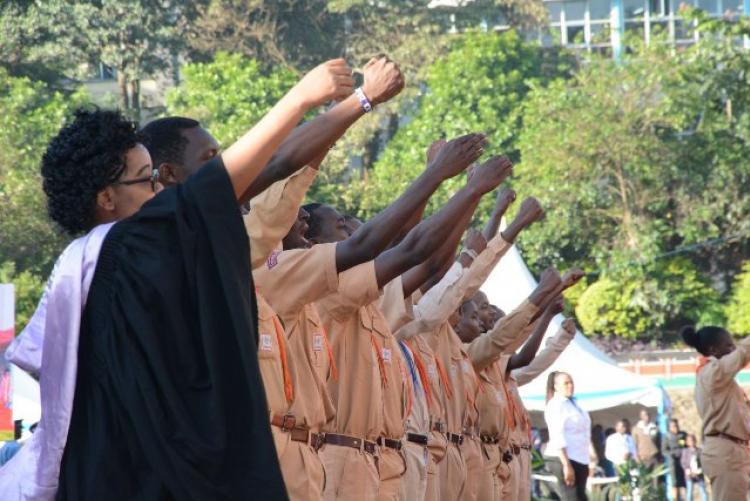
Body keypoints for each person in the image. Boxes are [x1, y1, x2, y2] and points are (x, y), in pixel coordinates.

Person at [0, 58, 355, 500]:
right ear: (106, 197)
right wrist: (302, 97)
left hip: (110, 467)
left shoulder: (80, 265)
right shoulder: (123, 249)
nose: (158, 192)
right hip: (138, 473)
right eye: (146, 180)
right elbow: (222, 185)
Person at [681, 325, 750, 500]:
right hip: (726, 452)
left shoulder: (722, 381)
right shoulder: (712, 373)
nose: (733, 349)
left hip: (734, 450)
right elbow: (743, 353)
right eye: (728, 346)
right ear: (713, 350)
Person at [544, 371, 592, 501]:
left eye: (571, 382)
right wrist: (566, 465)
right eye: (566, 383)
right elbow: (557, 435)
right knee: (572, 497)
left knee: (581, 497)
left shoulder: (575, 404)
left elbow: (585, 431)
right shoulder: (555, 405)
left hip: (579, 457)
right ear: (556, 386)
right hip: (563, 458)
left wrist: (590, 458)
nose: (570, 386)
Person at [663, 418, 687, 500]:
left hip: (683, 461)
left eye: (676, 425)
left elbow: (686, 446)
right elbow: (664, 450)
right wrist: (672, 454)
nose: (675, 427)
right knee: (675, 484)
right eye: (673, 426)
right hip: (673, 462)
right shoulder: (667, 436)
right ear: (669, 427)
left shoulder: (683, 435)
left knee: (684, 483)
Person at [680, 434, 708, 501]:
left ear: (695, 441)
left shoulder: (699, 451)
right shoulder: (685, 451)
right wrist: (687, 469)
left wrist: (701, 469)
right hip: (689, 475)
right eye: (689, 441)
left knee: (703, 491)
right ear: (687, 442)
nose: (691, 442)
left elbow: (703, 461)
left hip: (699, 474)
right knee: (689, 492)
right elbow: (683, 462)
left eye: (693, 440)